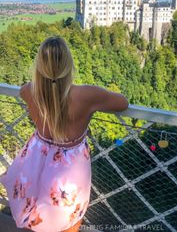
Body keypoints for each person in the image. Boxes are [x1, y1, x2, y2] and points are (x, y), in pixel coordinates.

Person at [0, 36, 129, 232]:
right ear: (69, 66)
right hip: (68, 168)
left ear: (39, 66)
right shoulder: (87, 95)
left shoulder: (28, 91)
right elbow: (123, 103)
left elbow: (42, 94)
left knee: (33, 215)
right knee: (69, 220)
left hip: (36, 158)